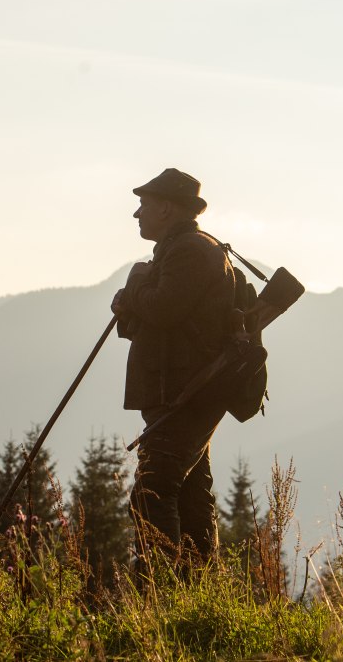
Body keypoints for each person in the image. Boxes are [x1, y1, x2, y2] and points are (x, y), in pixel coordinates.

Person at [111, 167, 236, 565]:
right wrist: (133, 301)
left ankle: (163, 590)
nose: (137, 214)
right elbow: (165, 323)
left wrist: (134, 285)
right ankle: (198, 593)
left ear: (165, 208)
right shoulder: (188, 250)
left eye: (143, 204)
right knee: (190, 493)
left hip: (184, 395)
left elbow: (163, 310)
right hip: (186, 392)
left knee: (152, 490)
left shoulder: (189, 251)